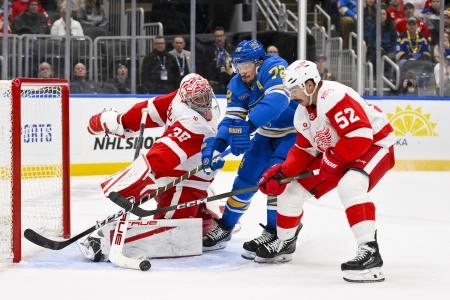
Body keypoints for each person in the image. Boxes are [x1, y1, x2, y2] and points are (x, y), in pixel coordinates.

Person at [256, 59, 395, 283]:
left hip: (374, 144)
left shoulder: (333, 96)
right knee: (291, 190)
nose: (291, 95)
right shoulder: (301, 114)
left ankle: (370, 252)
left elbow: (360, 137)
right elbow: (304, 149)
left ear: (310, 85)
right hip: (339, 150)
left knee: (350, 185)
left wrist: (334, 159)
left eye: (294, 89)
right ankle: (285, 242)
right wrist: (282, 173)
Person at [81, 73, 222, 261]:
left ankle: (202, 219)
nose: (204, 102)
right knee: (174, 227)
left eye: (206, 96)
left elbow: (159, 146)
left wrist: (120, 121)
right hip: (178, 174)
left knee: (177, 232)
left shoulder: (189, 112)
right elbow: (153, 120)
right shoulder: (185, 111)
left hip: (191, 175)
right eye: (198, 99)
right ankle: (107, 240)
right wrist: (120, 122)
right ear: (186, 99)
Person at [201, 40, 298, 258]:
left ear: (259, 62)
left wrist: (248, 126)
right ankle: (226, 227)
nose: (241, 71)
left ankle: (280, 235)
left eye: (245, 65)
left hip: (294, 131)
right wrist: (218, 145)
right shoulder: (237, 84)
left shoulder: (275, 66)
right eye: (237, 66)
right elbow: (232, 120)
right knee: (245, 178)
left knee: (276, 180)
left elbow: (278, 101)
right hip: (265, 133)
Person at [202, 26, 234, 94]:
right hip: (214, 84)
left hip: (229, 84)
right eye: (217, 36)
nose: (219, 38)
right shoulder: (208, 51)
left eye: (221, 36)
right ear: (214, 37)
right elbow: (204, 67)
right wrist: (208, 80)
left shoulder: (230, 50)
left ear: (225, 37)